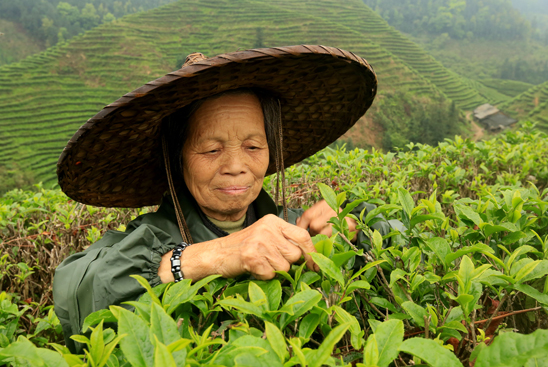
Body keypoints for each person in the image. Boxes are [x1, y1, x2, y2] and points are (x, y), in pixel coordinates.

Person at [53, 46, 389, 353]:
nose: (235, 167)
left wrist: (355, 227)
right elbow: (78, 292)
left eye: (253, 147)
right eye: (212, 150)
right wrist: (211, 256)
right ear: (178, 156)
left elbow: (396, 239)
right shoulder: (147, 242)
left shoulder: (293, 226)